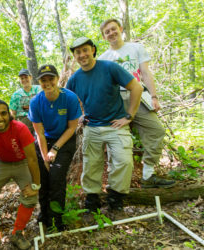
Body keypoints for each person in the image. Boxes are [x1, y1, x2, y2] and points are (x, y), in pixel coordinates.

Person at [66, 37, 143, 217]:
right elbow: (68, 102)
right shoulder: (75, 78)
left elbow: (136, 88)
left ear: (93, 50)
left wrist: (129, 116)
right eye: (78, 52)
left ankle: (115, 198)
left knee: (124, 161)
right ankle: (92, 200)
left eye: (85, 50)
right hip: (92, 127)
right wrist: (79, 117)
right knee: (91, 165)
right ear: (75, 56)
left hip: (116, 125)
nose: (82, 55)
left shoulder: (109, 68)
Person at [99, 19, 175, 188]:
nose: (111, 33)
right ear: (104, 37)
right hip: (116, 101)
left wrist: (154, 97)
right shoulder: (103, 59)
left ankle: (148, 175)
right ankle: (115, 183)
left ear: (120, 29)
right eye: (107, 32)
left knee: (156, 130)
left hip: (138, 95)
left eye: (113, 29)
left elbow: (146, 73)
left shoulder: (136, 48)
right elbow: (103, 86)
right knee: (115, 140)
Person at [0, 99, 40, 250]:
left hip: (23, 163)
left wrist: (36, 185)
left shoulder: (20, 128)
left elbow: (32, 159)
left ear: (9, 114)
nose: (0, 118)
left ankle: (17, 233)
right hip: (1, 163)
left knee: (30, 195)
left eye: (3, 113)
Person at [28, 65, 81, 230]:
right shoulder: (36, 102)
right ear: (39, 83)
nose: (48, 83)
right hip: (44, 141)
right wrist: (45, 157)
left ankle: (58, 219)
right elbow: (40, 134)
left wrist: (55, 149)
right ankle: (44, 215)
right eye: (43, 80)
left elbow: (72, 128)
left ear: (57, 79)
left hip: (64, 140)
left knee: (56, 176)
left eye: (51, 78)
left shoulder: (69, 98)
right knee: (42, 178)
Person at [9, 69, 42, 134]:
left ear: (31, 77)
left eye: (26, 77)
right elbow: (13, 113)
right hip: (24, 119)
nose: (24, 80)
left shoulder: (39, 89)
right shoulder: (16, 95)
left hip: (39, 117)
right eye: (22, 78)